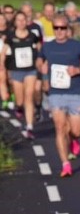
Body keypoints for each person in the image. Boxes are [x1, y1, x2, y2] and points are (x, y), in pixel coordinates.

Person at [38, 14, 80, 176]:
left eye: (62, 28)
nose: (59, 31)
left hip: (75, 92)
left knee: (76, 130)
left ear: (68, 29)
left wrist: (77, 70)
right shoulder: (47, 47)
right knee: (59, 128)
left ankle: (74, 139)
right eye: (56, 28)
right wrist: (42, 69)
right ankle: (65, 164)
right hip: (56, 93)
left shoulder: (77, 46)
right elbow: (39, 61)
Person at [4, 11, 41, 139]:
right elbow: (4, 53)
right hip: (16, 71)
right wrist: (5, 70)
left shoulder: (32, 35)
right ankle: (19, 108)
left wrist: (40, 62)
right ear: (15, 22)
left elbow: (39, 49)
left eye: (23, 20)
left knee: (29, 97)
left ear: (27, 21)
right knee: (20, 100)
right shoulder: (10, 36)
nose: (21, 22)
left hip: (30, 70)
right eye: (18, 20)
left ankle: (29, 126)